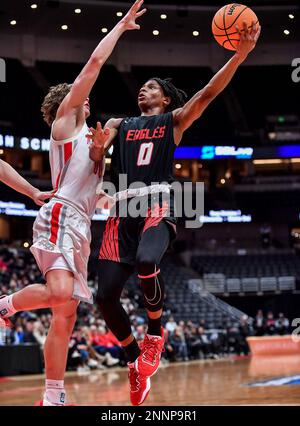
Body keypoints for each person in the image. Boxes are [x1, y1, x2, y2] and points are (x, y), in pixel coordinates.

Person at [88, 21, 261, 405]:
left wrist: (240, 54)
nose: (142, 90)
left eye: (150, 87)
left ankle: (155, 334)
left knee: (149, 261)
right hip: (120, 209)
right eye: (142, 87)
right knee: (105, 298)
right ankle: (136, 364)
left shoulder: (174, 121)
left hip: (157, 202)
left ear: (165, 100)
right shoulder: (119, 123)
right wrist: (98, 151)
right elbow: (97, 159)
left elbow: (209, 92)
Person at [0, 0, 146, 406]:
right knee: (61, 293)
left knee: (65, 314)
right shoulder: (66, 125)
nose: (88, 102)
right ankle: (5, 305)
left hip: (81, 225)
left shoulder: (92, 145)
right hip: (61, 215)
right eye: (82, 98)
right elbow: (95, 63)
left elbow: (100, 199)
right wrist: (119, 27)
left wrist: (133, 197)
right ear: (69, 103)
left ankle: (53, 395)